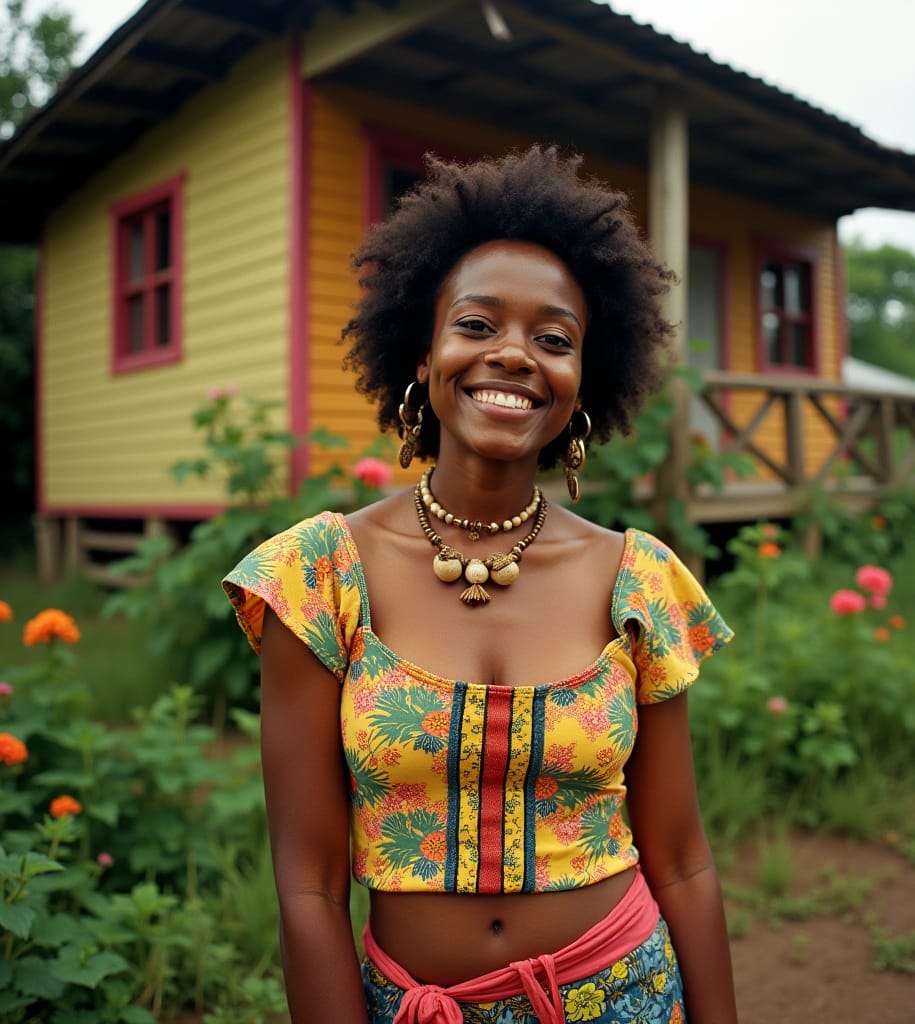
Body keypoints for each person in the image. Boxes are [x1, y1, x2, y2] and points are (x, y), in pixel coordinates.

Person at [223, 146, 737, 1024]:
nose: (513, 356)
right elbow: (307, 887)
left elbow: (683, 857)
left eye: (553, 338)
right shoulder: (316, 575)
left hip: (626, 993)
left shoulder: (637, 579)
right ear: (421, 355)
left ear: (583, 382)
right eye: (475, 325)